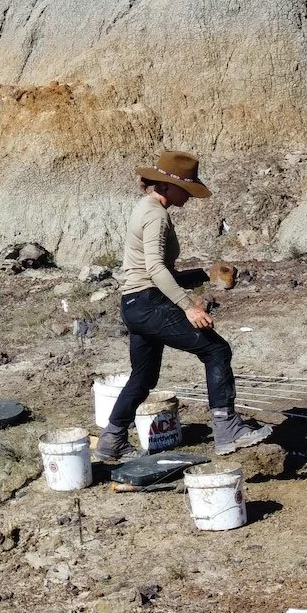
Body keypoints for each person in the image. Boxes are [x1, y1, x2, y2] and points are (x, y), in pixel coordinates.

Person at [97, 150, 273, 462]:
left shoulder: (147, 208)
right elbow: (155, 270)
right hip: (150, 303)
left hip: (135, 304)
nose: (190, 196)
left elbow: (153, 270)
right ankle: (227, 428)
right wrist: (188, 306)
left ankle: (111, 440)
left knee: (143, 377)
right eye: (186, 189)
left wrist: (203, 274)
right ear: (165, 186)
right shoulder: (156, 216)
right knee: (216, 350)